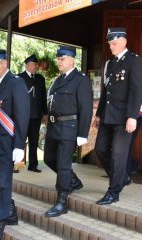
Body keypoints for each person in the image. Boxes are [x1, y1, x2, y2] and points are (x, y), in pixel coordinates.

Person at [93, 27, 142, 205]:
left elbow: (137, 91)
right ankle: (122, 176)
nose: (111, 47)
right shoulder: (110, 63)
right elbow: (106, 91)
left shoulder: (134, 61)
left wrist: (132, 116)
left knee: (118, 154)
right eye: (109, 44)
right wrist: (99, 114)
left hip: (124, 117)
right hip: (108, 115)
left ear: (124, 41)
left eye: (114, 43)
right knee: (100, 149)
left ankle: (113, 191)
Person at [0, 49, 30, 240]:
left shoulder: (16, 83)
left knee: (2, 183)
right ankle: (9, 210)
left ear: (5, 63)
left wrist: (19, 146)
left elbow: (22, 116)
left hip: (7, 142)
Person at [44, 45, 92, 217]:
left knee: (63, 164)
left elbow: (86, 108)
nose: (59, 61)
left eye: (62, 59)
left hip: (69, 128)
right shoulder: (58, 80)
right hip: (54, 127)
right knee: (49, 158)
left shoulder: (81, 80)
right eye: (58, 59)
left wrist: (82, 133)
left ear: (72, 60)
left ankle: (61, 200)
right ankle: (73, 180)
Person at [18, 54, 48, 173]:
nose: (36, 66)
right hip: (22, 116)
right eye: (34, 64)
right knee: (20, 141)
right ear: (27, 65)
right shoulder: (19, 78)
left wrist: (45, 113)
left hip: (36, 115)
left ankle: (33, 165)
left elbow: (43, 97)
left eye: (37, 65)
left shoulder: (40, 78)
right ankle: (17, 164)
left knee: (34, 141)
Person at [125, 92, 142, 181]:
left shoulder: (139, 86)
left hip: (134, 118)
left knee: (128, 145)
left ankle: (127, 171)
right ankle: (124, 171)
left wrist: (134, 116)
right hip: (120, 117)